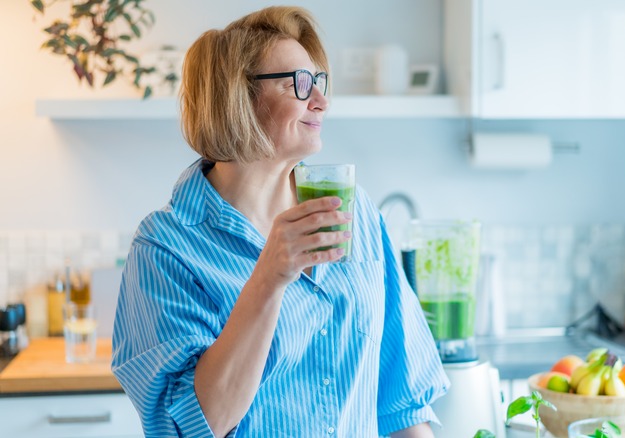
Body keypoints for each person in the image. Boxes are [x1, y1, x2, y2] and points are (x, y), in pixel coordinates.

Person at [111, 6, 449, 438]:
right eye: (300, 84)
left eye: (319, 82)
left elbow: (402, 403)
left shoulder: (355, 212)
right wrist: (270, 276)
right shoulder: (165, 248)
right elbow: (191, 427)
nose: (321, 101)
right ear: (237, 97)